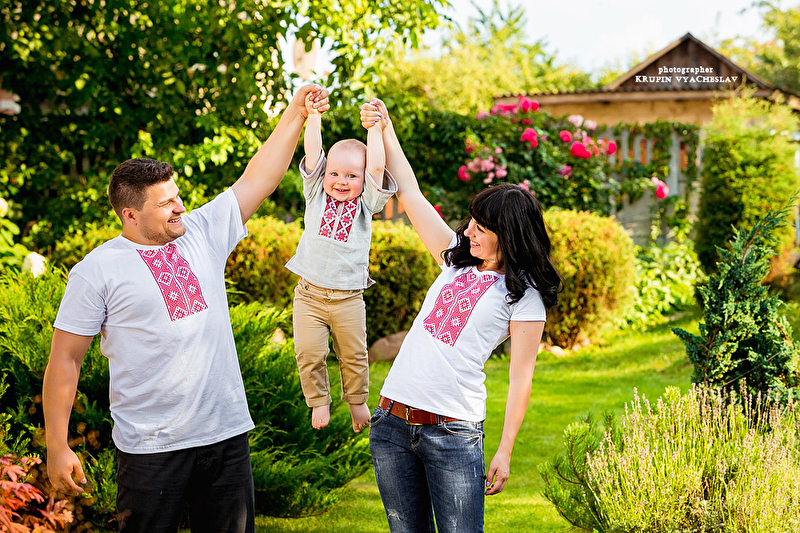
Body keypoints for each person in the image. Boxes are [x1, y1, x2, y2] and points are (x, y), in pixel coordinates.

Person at [41, 84, 330, 533]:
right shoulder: (97, 270)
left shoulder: (201, 231)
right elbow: (65, 359)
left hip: (225, 437)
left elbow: (259, 178)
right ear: (130, 215)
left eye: (177, 196)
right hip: (151, 449)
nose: (179, 208)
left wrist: (295, 112)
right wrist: (57, 445)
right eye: (165, 204)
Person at [360, 99, 563, 533]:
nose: (467, 231)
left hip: (452, 433)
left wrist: (505, 449)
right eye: (470, 222)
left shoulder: (524, 296)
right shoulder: (455, 260)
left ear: (507, 236)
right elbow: (410, 193)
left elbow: (521, 378)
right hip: (391, 423)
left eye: (479, 229)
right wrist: (387, 127)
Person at [285, 91, 397, 432]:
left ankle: (357, 401)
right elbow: (313, 152)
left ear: (364, 181)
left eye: (352, 176)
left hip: (348, 298)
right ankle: (319, 400)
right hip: (309, 295)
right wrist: (314, 116)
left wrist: (375, 129)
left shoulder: (366, 204)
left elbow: (376, 166)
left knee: (354, 355)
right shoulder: (315, 193)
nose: (341, 181)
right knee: (308, 352)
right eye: (334, 173)